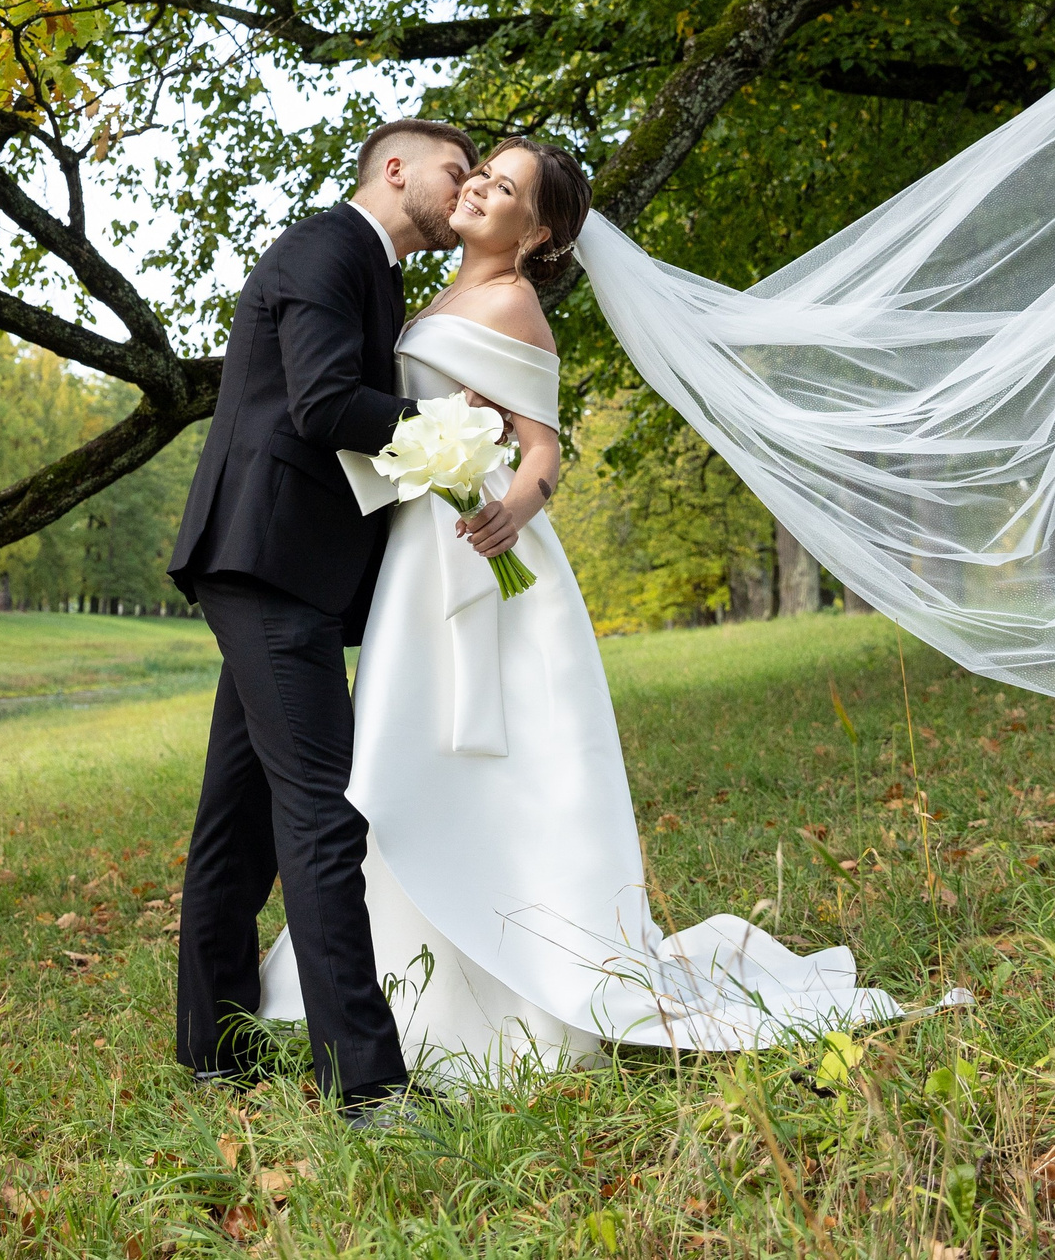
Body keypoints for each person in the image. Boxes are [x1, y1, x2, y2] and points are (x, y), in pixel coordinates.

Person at [260, 139, 908, 1081]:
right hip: (418, 558)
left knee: (496, 761)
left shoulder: (514, 304)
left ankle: (519, 982)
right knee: (401, 754)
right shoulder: (425, 297)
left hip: (485, 554)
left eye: (507, 186)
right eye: (481, 173)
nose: (480, 185)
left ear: (541, 230)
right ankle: (398, 982)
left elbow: (541, 451)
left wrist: (508, 512)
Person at [167, 117, 476, 1115]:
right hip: (264, 561)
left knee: (240, 821)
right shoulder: (325, 245)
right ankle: (366, 1083)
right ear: (395, 169)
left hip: (287, 567)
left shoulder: (374, 269)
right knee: (321, 810)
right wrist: (452, 437)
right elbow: (322, 402)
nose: (465, 189)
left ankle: (214, 1047)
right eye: (453, 171)